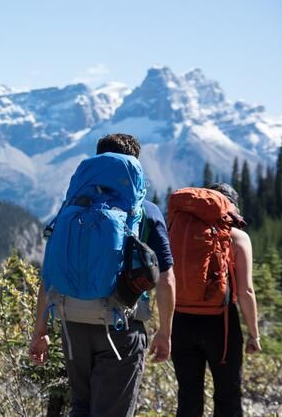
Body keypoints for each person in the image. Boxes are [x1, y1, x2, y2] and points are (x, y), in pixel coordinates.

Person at [29, 133, 176, 416]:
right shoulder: (146, 211)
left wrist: (41, 330)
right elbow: (167, 278)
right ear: (134, 164)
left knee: (81, 406)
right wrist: (165, 332)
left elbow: (49, 274)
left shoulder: (71, 209)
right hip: (121, 326)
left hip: (72, 323)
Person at [170, 182, 261, 417]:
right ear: (230, 207)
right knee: (227, 396)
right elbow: (246, 291)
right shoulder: (237, 236)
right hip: (221, 324)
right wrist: (254, 334)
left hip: (180, 320)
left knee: (188, 396)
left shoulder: (180, 230)